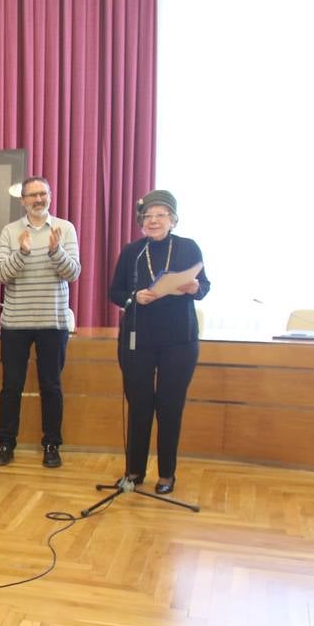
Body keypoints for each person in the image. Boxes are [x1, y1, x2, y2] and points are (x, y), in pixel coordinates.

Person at [107, 190, 210, 495]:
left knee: (169, 406)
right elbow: (115, 292)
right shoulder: (132, 251)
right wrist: (133, 297)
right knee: (139, 405)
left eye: (160, 215)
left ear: (173, 220)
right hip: (139, 338)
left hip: (179, 339)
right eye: (148, 216)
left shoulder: (188, 247)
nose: (153, 221)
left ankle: (167, 474)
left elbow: (204, 286)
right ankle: (134, 471)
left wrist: (193, 287)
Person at [0, 177, 81, 468]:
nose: (38, 199)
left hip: (53, 322)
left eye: (43, 194)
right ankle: (6, 443)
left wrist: (56, 252)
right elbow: (0, 275)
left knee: (51, 386)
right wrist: (22, 253)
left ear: (50, 197)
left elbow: (73, 273)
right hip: (16, 323)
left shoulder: (65, 228)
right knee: (11, 386)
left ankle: (52, 445)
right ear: (23, 200)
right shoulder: (10, 231)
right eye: (32, 195)